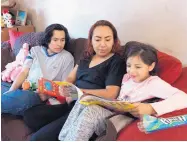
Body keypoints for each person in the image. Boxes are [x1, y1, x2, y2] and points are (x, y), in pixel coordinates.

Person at [58, 41, 187, 141]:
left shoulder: (154, 83)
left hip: (121, 119)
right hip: (112, 110)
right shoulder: (127, 77)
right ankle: (64, 138)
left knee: (92, 111)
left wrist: (151, 108)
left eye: (138, 67)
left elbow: (183, 98)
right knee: (83, 102)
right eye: (129, 66)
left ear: (151, 66)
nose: (131, 71)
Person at [23, 20, 126, 141]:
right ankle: (54, 129)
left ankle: (56, 130)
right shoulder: (87, 56)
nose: (102, 44)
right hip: (71, 103)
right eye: (98, 39)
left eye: (107, 39)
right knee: (29, 115)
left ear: (114, 40)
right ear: (91, 40)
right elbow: (70, 77)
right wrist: (64, 87)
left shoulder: (116, 62)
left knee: (36, 139)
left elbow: (111, 93)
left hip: (86, 108)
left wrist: (79, 92)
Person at [1, 23, 74, 116]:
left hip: (37, 95)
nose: (59, 44)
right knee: (5, 91)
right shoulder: (35, 50)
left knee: (15, 100)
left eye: (62, 40)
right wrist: (11, 91)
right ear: (47, 39)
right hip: (24, 87)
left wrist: (48, 95)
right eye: (55, 40)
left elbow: (66, 85)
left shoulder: (67, 57)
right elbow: (24, 72)